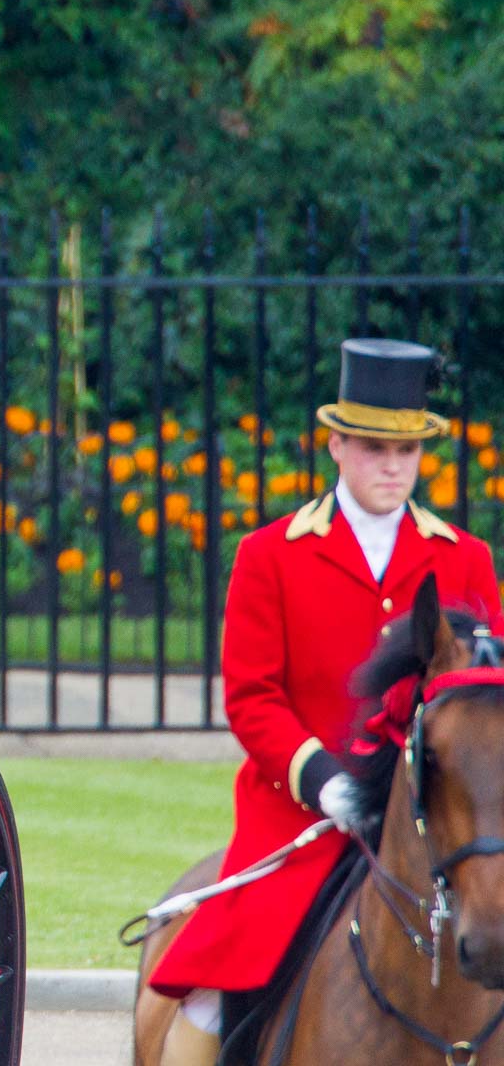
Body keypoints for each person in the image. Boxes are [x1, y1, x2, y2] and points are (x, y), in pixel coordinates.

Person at [148, 338, 499, 1064]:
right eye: (374, 446)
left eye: (408, 449)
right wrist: (321, 780)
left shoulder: (465, 558)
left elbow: (484, 703)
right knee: (213, 996)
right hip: (302, 817)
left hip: (438, 818)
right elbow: (251, 698)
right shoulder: (270, 554)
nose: (393, 466)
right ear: (336, 444)